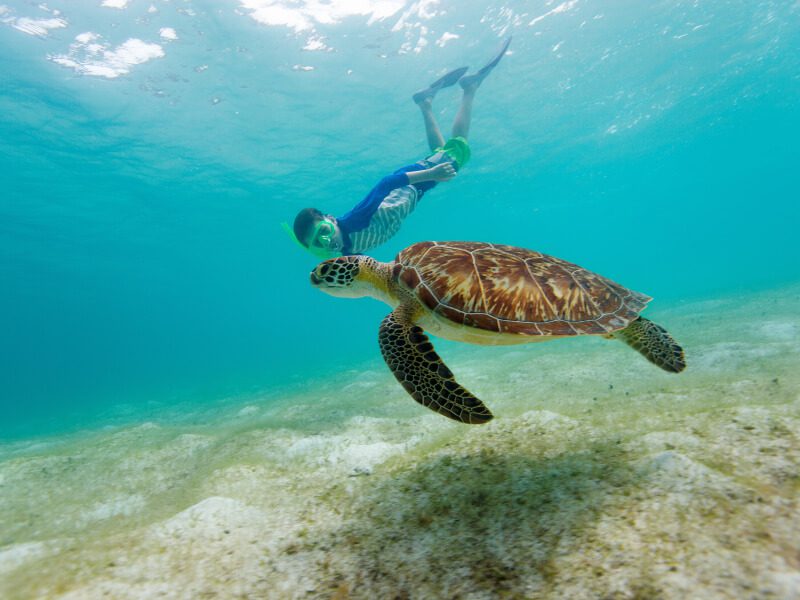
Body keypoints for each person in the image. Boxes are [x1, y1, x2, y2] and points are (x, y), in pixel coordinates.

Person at [285, 37, 511, 258]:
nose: (326, 241)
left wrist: (431, 174)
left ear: (331, 220)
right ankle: (425, 104)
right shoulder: (343, 252)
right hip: (415, 192)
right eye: (317, 242)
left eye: (324, 232)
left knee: (457, 151)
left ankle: (469, 88)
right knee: (440, 153)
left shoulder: (354, 221)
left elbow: (386, 183)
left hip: (411, 184)